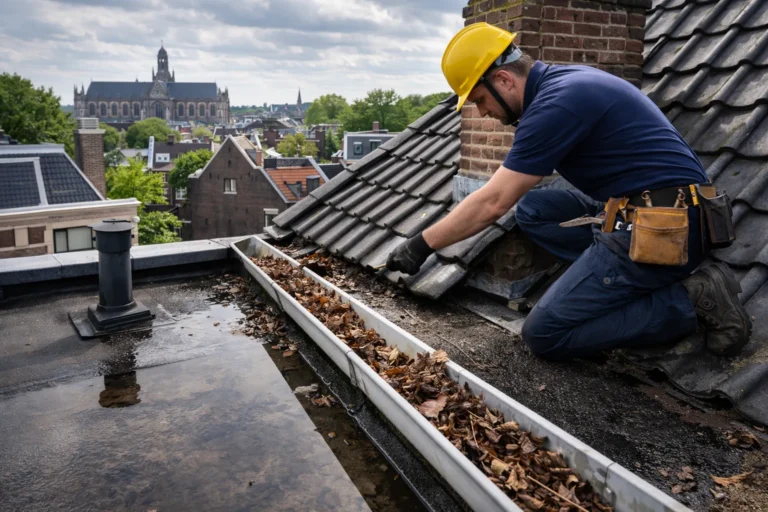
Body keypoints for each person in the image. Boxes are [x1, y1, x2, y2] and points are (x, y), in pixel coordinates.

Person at [386, 23, 752, 360]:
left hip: (667, 228)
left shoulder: (554, 105)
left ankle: (694, 299)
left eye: (480, 100)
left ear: (503, 79)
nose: (482, 113)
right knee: (534, 208)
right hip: (656, 206)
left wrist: (420, 245)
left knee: (545, 334)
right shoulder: (564, 81)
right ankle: (603, 275)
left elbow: (493, 201)